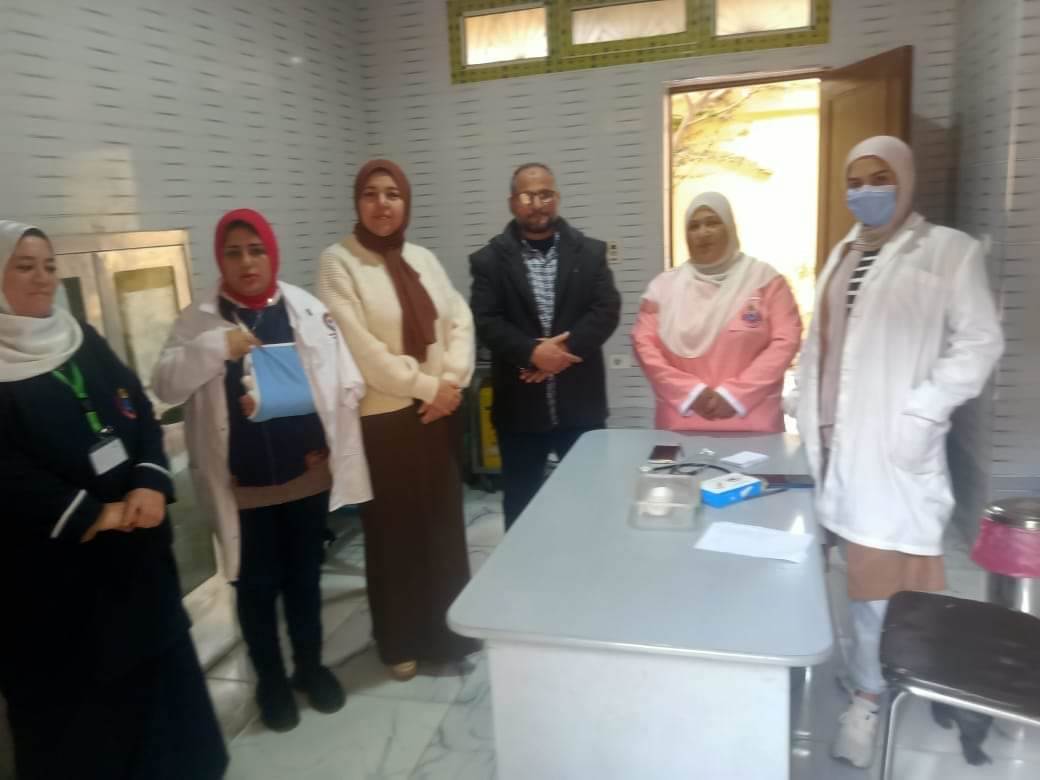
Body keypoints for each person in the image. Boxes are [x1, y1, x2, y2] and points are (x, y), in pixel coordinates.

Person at [790, 136, 1004, 768]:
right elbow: (824, 342)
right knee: (860, 571)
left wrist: (926, 408)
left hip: (891, 441)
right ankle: (876, 673)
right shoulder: (844, 252)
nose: (866, 191)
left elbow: (980, 342)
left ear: (905, 179)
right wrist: (801, 398)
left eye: (879, 177)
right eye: (855, 181)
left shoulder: (948, 250)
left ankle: (869, 696)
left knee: (880, 579)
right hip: (835, 441)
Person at [0, 221, 227, 779]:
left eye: (49, 265)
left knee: (164, 706)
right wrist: (92, 513)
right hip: (59, 586)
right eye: (24, 266)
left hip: (137, 563)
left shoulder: (78, 336)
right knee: (90, 728)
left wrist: (149, 479)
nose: (42, 278)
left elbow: (140, 409)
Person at [153, 209, 372, 732]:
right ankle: (270, 680)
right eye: (233, 253)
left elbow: (344, 382)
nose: (246, 262)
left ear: (272, 253)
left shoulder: (306, 309)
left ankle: (310, 667)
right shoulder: (198, 321)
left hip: (306, 478)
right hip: (242, 488)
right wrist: (215, 348)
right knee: (255, 589)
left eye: (256, 250)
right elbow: (164, 386)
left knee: (303, 580)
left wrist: (329, 443)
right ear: (220, 260)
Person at [318, 160, 478, 681]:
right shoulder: (339, 263)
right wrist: (429, 387)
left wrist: (451, 383)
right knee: (394, 537)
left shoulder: (423, 258)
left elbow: (460, 319)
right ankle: (400, 640)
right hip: (385, 422)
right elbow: (360, 348)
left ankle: (448, 632)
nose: (382, 204)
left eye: (392, 194)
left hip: (438, 414)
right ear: (357, 202)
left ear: (406, 201)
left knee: (442, 529)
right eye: (371, 194)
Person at [470, 163, 621, 528]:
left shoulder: (590, 253)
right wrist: (532, 353)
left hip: (581, 407)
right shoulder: (489, 261)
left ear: (557, 198)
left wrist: (559, 356)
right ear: (512, 202)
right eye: (527, 196)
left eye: (545, 194)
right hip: (519, 411)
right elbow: (485, 320)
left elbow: (606, 310)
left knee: (590, 503)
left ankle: (585, 562)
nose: (537, 204)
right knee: (521, 505)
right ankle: (524, 566)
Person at [632, 192, 801, 431]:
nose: (703, 233)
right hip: (681, 421)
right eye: (694, 226)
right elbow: (643, 345)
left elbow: (785, 341)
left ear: (729, 227)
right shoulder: (662, 288)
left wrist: (734, 395)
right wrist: (691, 393)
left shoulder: (766, 280)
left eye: (712, 222)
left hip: (753, 421)